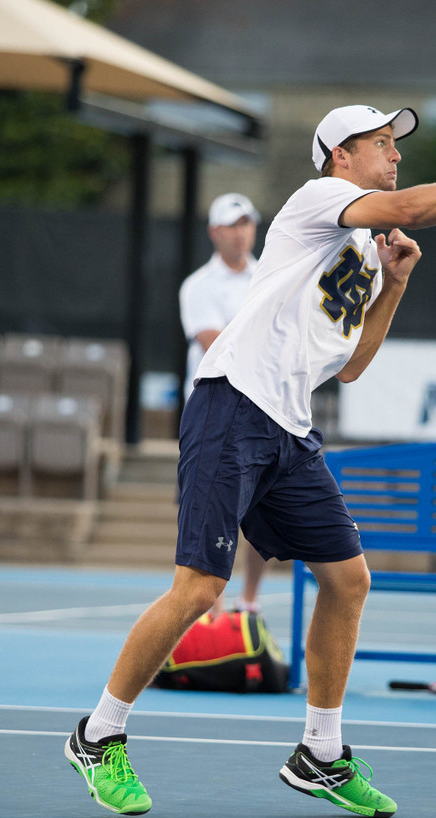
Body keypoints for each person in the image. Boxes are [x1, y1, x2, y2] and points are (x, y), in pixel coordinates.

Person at [65, 103, 436, 818]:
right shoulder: (319, 201)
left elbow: (352, 366)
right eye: (381, 143)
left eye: (397, 145)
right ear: (339, 155)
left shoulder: (363, 251)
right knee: (200, 589)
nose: (395, 155)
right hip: (233, 402)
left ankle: (320, 754)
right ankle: (97, 733)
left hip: (288, 428)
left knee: (349, 579)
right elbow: (413, 207)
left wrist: (393, 284)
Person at [178, 192, 269, 616]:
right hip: (212, 413)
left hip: (261, 406)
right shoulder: (198, 285)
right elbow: (214, 346)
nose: (242, 232)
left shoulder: (269, 276)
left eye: (247, 223)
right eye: (233, 224)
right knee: (209, 512)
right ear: (215, 232)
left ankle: (248, 601)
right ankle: (207, 609)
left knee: (258, 512)